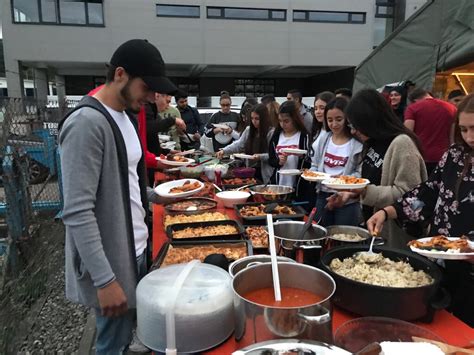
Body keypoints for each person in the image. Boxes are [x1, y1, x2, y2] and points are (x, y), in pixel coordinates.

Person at [59, 39, 178, 353]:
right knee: (112, 343)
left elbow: (128, 183)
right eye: (147, 87)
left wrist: (159, 197)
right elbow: (77, 211)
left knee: (128, 336)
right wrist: (104, 280)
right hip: (112, 262)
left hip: (136, 249)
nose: (152, 97)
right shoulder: (86, 124)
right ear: (121, 75)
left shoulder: (124, 116)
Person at [367, 93, 474, 326]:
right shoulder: (454, 156)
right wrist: (387, 212)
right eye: (464, 130)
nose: (469, 137)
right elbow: (426, 194)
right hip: (441, 261)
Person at [326, 89, 427, 249]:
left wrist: (365, 192)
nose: (353, 131)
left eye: (357, 126)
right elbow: (372, 182)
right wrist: (350, 194)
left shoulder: (402, 144)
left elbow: (411, 196)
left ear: (371, 120)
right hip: (375, 229)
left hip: (396, 234)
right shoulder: (372, 141)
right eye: (351, 125)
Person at [311, 97, 363, 226]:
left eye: (339, 119)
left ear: (348, 119)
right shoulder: (324, 139)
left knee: (344, 237)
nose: (334, 124)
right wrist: (312, 174)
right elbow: (315, 166)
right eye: (330, 120)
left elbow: (359, 174)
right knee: (320, 234)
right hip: (322, 194)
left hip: (347, 199)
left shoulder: (356, 144)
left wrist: (342, 180)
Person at [216, 104, 274, 182]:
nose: (254, 121)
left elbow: (274, 155)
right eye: (252, 118)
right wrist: (224, 150)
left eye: (257, 118)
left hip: (266, 174)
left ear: (264, 119)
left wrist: (260, 156)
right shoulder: (249, 130)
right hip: (250, 171)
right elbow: (239, 145)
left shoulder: (271, 132)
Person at [405, 88, 457, 175]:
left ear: (414, 100)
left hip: (420, 157)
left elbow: (407, 135)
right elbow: (453, 137)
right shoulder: (452, 108)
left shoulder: (412, 108)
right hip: (444, 157)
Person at [269, 101, 311, 200]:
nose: (283, 124)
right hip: (279, 183)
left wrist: (303, 157)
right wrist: (278, 161)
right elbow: (271, 160)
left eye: (286, 121)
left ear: (295, 119)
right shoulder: (276, 137)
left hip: (298, 185)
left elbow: (310, 160)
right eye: (280, 121)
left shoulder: (304, 137)